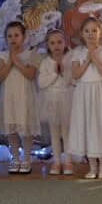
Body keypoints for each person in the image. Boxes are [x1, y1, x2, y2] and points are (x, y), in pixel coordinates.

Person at [68, 17, 102, 180]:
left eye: (94, 30)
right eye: (87, 31)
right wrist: (88, 60)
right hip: (84, 93)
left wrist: (96, 60)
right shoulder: (78, 52)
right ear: (82, 33)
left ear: (100, 33)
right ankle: (92, 167)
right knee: (88, 127)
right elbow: (75, 75)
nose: (90, 34)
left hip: (101, 92)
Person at [0, 21, 41, 175]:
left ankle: (26, 158)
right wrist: (11, 59)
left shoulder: (32, 54)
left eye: (16, 35)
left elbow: (30, 75)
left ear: (23, 36)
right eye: (9, 36)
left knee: (26, 129)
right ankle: (15, 158)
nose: (13, 39)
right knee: (12, 129)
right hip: (9, 97)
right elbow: (2, 76)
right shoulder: (2, 56)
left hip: (25, 96)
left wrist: (17, 61)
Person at [37, 29, 74, 176]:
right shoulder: (45, 62)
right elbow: (41, 83)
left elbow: (71, 80)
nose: (56, 45)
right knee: (54, 132)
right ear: (48, 45)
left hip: (66, 98)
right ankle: (57, 161)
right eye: (52, 43)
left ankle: (68, 161)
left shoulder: (70, 60)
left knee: (67, 132)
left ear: (65, 43)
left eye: (59, 42)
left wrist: (63, 71)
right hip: (51, 100)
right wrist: (54, 73)